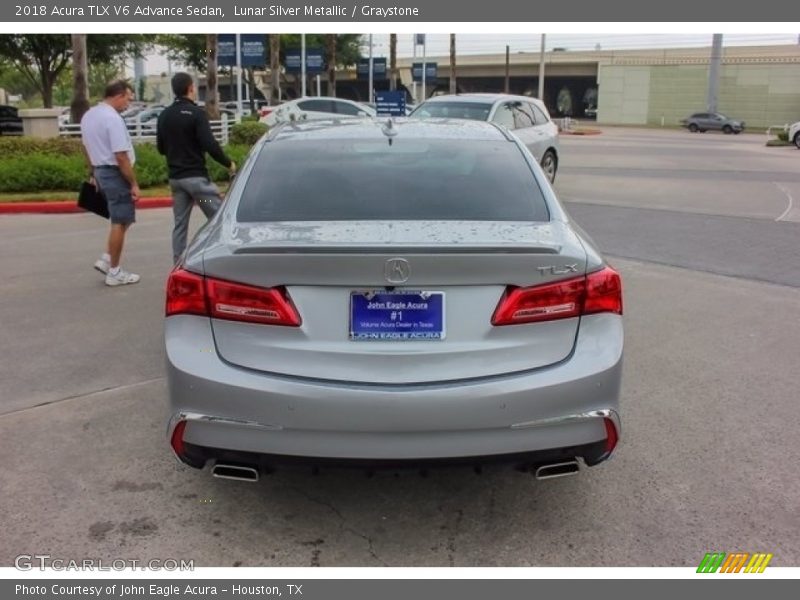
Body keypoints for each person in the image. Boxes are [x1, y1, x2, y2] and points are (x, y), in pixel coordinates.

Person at [157, 72, 236, 264]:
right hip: (197, 183)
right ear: (191, 88)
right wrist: (228, 163)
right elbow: (210, 144)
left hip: (177, 181)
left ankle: (178, 263)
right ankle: (224, 261)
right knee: (219, 220)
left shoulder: (165, 115)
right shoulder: (196, 114)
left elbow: (161, 148)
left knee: (180, 225)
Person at [80, 80, 141, 286]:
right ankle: (114, 272)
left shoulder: (89, 116)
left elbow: (86, 147)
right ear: (118, 96)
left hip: (100, 171)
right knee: (120, 220)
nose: (128, 104)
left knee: (124, 218)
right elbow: (121, 156)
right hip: (115, 173)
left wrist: (93, 172)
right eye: (128, 98)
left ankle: (107, 259)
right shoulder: (112, 118)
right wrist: (133, 183)